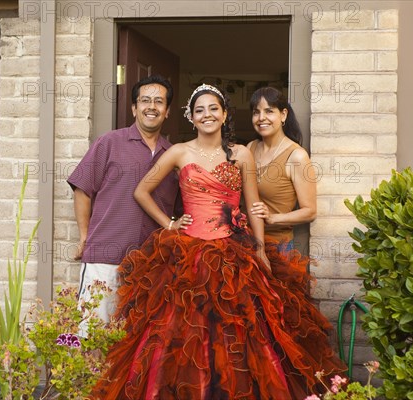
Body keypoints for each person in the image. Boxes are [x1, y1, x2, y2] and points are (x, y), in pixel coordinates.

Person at [91, 84, 345, 399]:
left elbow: (252, 207)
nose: (207, 115)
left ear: (224, 114)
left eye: (213, 108)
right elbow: (141, 191)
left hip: (233, 253)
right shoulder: (178, 152)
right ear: (191, 118)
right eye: (200, 110)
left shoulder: (241, 154)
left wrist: (261, 248)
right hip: (187, 253)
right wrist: (169, 224)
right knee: (176, 332)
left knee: (242, 334)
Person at [67, 75, 180, 322]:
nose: (152, 107)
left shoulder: (174, 155)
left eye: (159, 102)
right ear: (134, 107)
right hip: (105, 256)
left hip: (151, 264)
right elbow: (82, 189)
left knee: (136, 341)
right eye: (145, 101)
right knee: (93, 334)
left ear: (167, 111)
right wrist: (85, 237)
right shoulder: (109, 142)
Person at [247, 86, 316, 251]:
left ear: (283, 115)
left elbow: (310, 211)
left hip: (278, 246)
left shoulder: (296, 156)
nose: (261, 118)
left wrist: (273, 218)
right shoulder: (251, 147)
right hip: (247, 242)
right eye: (256, 112)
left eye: (269, 111)